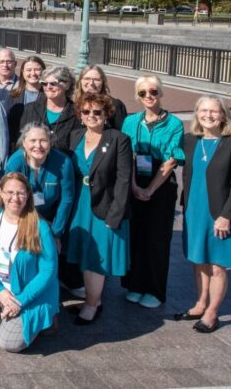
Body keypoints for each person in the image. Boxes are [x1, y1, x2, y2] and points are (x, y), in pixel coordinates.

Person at [177, 96, 231, 333]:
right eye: (204, 110)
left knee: (218, 265)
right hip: (194, 211)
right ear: (197, 113)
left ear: (224, 115)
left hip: (220, 214)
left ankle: (212, 313)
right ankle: (200, 303)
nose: (208, 115)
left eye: (214, 111)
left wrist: (226, 215)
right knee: (199, 261)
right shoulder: (189, 141)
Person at [0, 172, 59, 353]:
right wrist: (0, 292)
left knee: (9, 343)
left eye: (21, 193)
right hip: (1, 280)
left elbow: (48, 271)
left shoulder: (40, 227)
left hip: (29, 289)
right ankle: (5, 311)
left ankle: (42, 320)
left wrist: (19, 301)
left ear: (28, 195)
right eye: (10, 192)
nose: (15, 198)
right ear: (0, 193)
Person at [65, 92, 132, 325]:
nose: (91, 116)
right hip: (79, 205)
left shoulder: (118, 139)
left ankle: (92, 305)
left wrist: (115, 214)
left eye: (97, 112)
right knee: (85, 254)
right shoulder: (75, 136)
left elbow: (124, 180)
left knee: (96, 258)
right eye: (86, 111)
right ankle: (94, 300)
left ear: (106, 115)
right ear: (80, 115)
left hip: (104, 205)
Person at [121, 75, 185, 309]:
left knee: (156, 239)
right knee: (136, 236)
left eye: (153, 92)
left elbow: (170, 161)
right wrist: (135, 186)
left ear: (161, 93)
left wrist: (149, 189)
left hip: (161, 185)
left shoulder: (174, 124)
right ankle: (135, 285)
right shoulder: (130, 122)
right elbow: (127, 154)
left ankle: (154, 290)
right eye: (143, 93)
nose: (149, 96)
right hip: (136, 180)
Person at [3, 124, 75, 247]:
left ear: (50, 142)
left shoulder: (63, 162)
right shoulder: (15, 163)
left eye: (43, 141)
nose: (38, 146)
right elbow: (9, 199)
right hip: (22, 216)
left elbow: (66, 199)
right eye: (33, 141)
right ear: (24, 143)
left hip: (53, 220)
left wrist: (55, 233)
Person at [21, 65, 79, 154]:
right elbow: (21, 140)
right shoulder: (30, 108)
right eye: (44, 83)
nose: (48, 87)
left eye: (53, 83)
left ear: (67, 85)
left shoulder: (77, 114)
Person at [6, 56, 46, 149]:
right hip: (17, 146)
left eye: (37, 69)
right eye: (29, 70)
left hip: (39, 147)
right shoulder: (13, 96)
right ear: (22, 72)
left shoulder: (49, 96)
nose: (33, 73)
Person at [74, 66, 128, 131]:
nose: (91, 83)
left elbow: (122, 134)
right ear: (80, 81)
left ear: (103, 83)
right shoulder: (73, 104)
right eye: (87, 79)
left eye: (96, 80)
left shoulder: (115, 105)